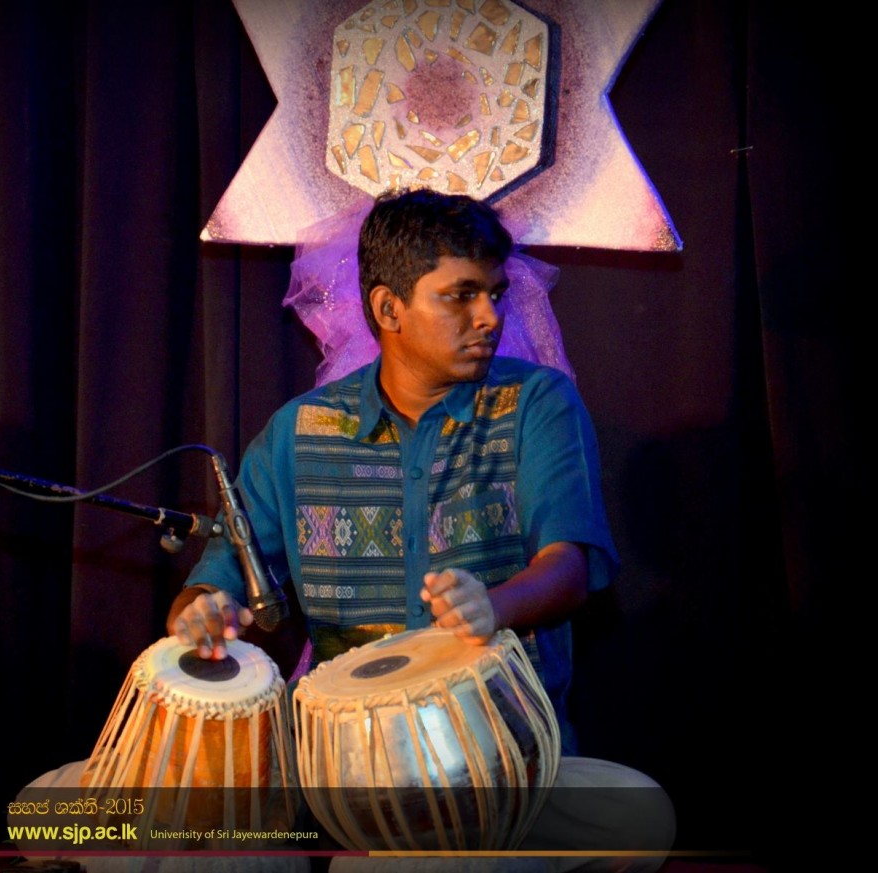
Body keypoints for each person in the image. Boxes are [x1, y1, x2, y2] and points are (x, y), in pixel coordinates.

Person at [168, 189, 674, 870]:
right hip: (347, 770)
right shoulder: (298, 434)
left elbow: (568, 567)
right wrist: (202, 612)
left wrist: (493, 606)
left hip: (504, 762)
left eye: (494, 293)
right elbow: (217, 580)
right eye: (461, 296)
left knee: (639, 813)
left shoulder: (535, 403)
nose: (490, 316)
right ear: (388, 309)